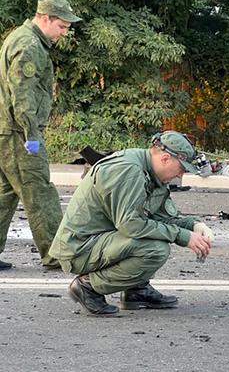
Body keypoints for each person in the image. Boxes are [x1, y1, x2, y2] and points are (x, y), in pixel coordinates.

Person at [48, 131, 214, 316]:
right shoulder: (129, 171)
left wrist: (194, 226)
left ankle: (136, 291)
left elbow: (160, 216)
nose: (181, 174)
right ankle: (88, 287)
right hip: (79, 248)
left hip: (101, 240)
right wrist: (182, 236)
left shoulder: (151, 172)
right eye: (181, 168)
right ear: (165, 159)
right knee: (155, 249)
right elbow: (131, 225)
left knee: (154, 236)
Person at [0, 0, 82, 271]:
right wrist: (31, 135)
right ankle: (57, 253)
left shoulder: (22, 38)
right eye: (62, 26)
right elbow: (22, 95)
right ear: (46, 18)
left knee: (5, 192)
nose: (64, 32)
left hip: (7, 131)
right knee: (39, 191)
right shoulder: (28, 45)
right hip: (19, 133)